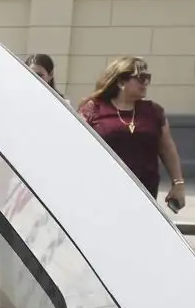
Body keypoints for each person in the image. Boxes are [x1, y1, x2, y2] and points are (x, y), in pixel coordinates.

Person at [78, 57, 185, 210]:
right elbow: (77, 148)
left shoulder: (154, 112)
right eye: (141, 78)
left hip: (144, 193)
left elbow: (167, 149)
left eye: (148, 78)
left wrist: (178, 184)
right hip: (102, 192)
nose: (146, 83)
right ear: (121, 81)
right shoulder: (93, 109)